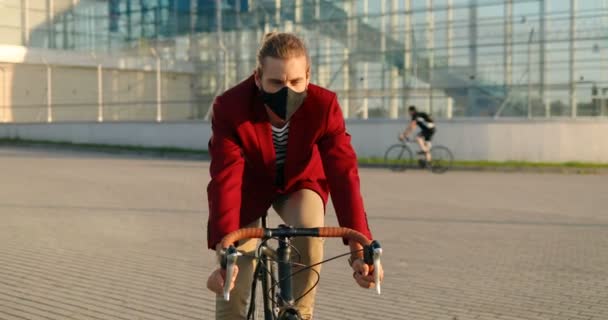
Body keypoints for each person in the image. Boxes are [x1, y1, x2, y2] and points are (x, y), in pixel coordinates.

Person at [205, 32, 383, 320]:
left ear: (308, 76)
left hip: (300, 184)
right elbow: (225, 179)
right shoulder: (230, 107)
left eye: (296, 82)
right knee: (235, 275)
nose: (286, 91)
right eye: (275, 82)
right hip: (247, 188)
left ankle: (298, 314)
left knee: (311, 233)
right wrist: (224, 251)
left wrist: (359, 247)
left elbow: (343, 174)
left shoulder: (324, 106)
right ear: (257, 77)